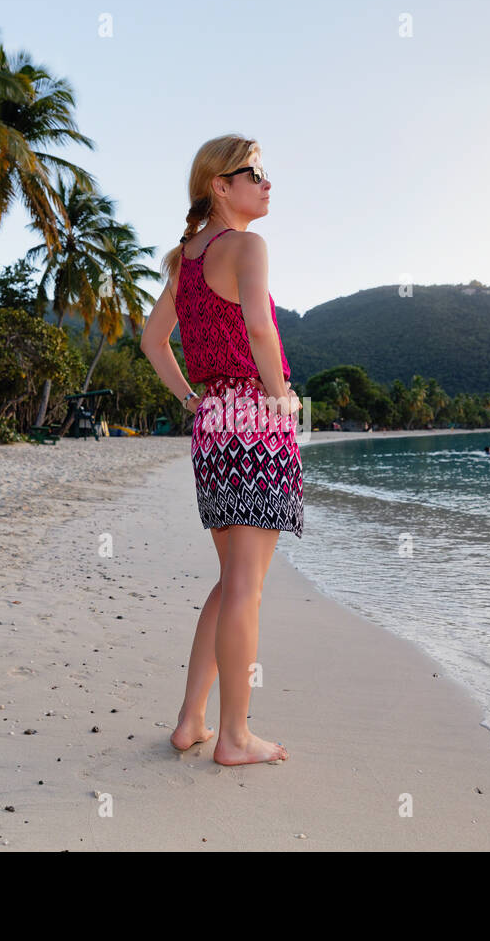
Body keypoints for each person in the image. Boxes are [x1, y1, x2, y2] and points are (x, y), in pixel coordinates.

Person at [138, 135, 302, 766]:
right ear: (220, 186)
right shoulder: (246, 246)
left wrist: (191, 401)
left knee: (232, 580)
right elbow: (260, 328)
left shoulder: (183, 261)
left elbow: (155, 343)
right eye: (254, 173)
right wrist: (281, 395)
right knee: (245, 587)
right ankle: (234, 737)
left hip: (214, 421)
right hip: (257, 417)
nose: (267, 183)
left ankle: (191, 721)